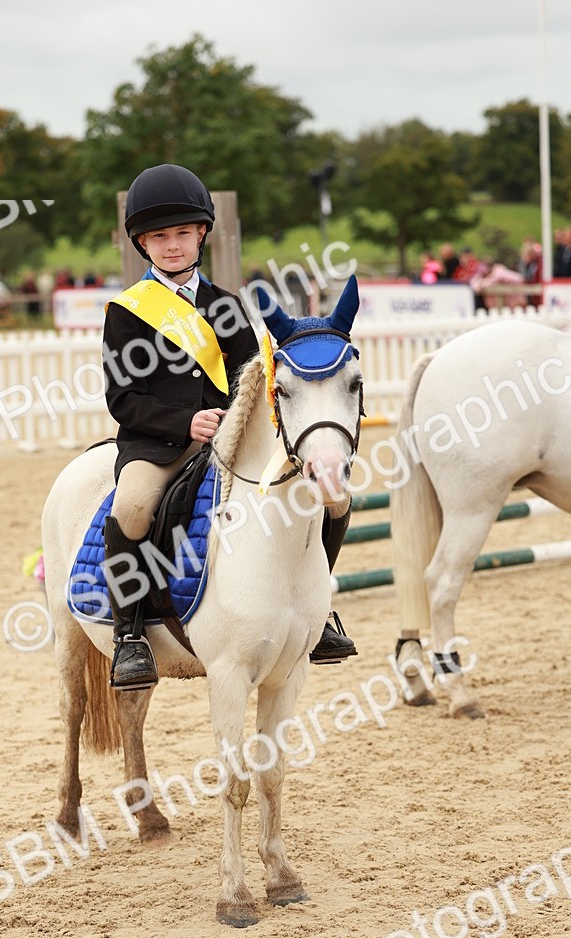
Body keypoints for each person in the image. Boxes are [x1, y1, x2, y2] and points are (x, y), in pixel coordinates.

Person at [102, 163, 355, 690]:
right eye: (159, 237)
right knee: (134, 505)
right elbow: (122, 398)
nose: (172, 245)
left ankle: (319, 611)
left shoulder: (226, 305)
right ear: (142, 243)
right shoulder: (126, 312)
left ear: (201, 234)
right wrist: (184, 421)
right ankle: (130, 633)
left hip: (231, 439)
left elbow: (253, 379)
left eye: (182, 233)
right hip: (158, 443)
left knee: (333, 497)